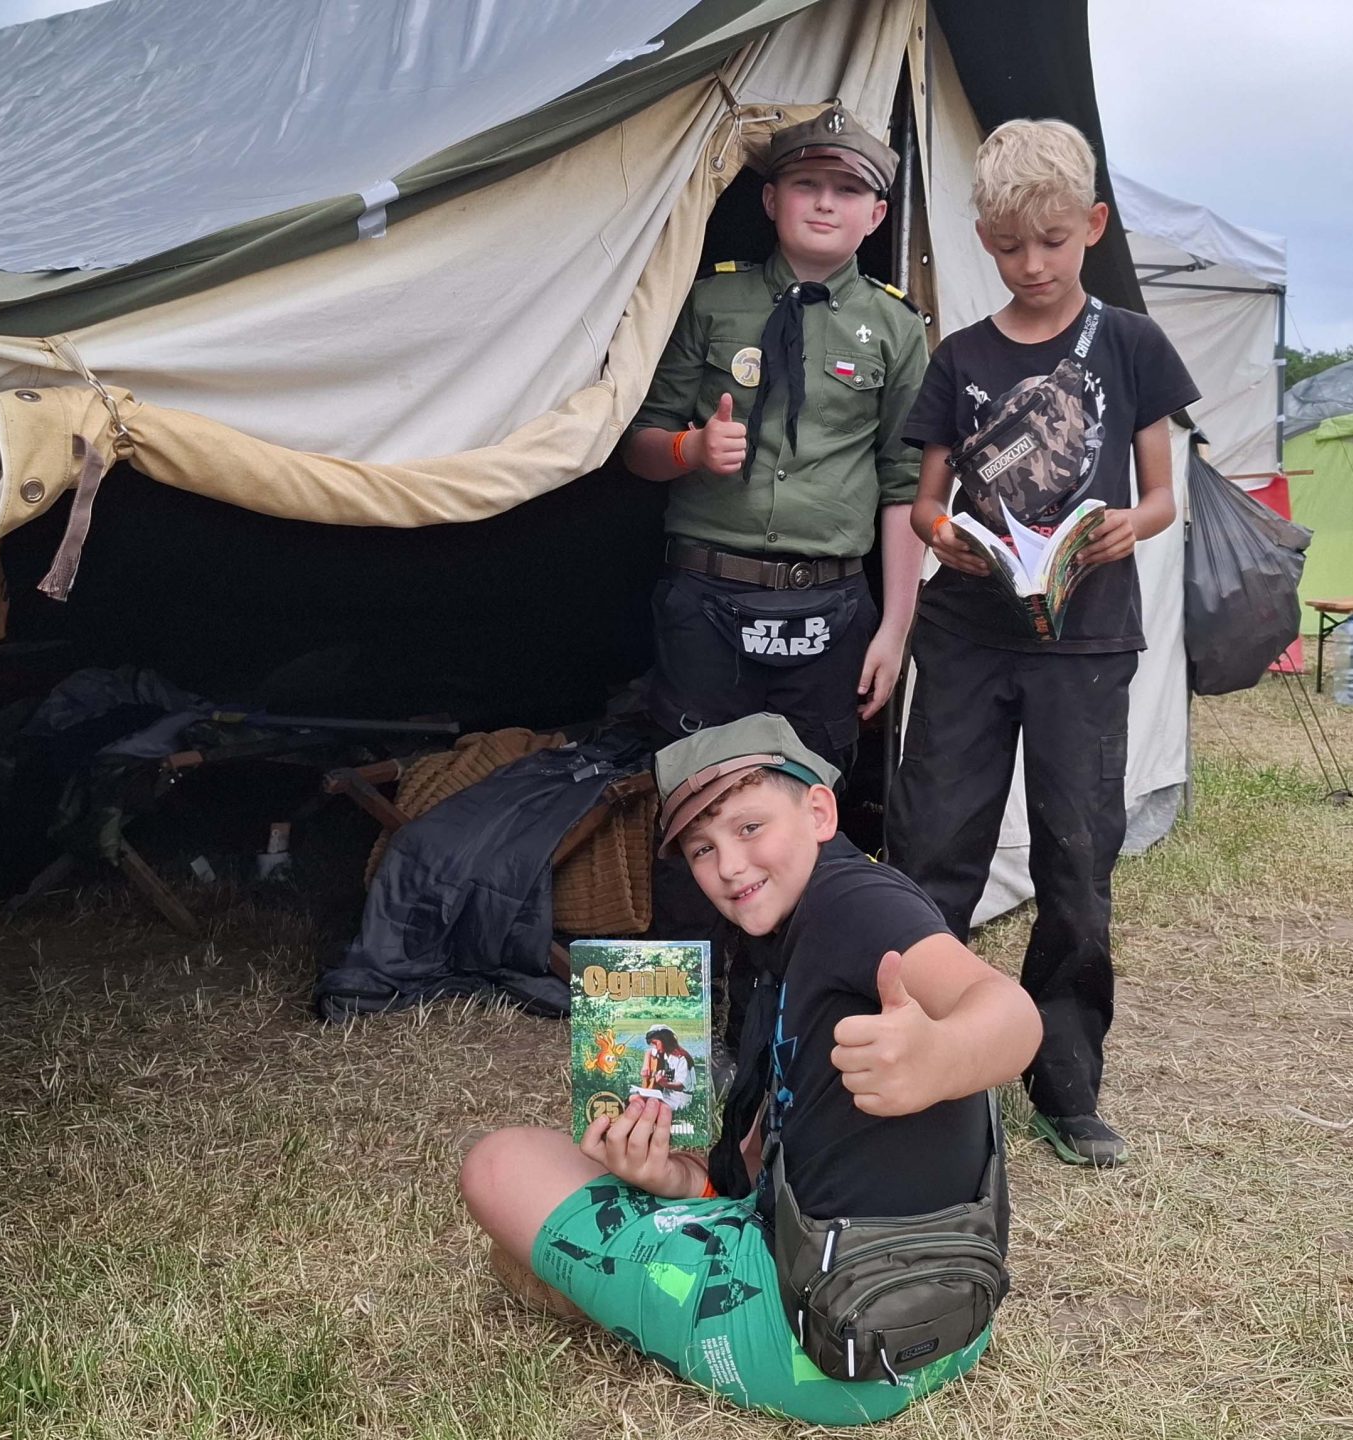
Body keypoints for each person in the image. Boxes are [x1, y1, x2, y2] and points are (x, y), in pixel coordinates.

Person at [460, 714, 1040, 1425]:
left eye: (749, 827)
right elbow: (763, 1165)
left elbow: (1011, 1015)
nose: (729, 866)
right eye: (702, 848)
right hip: (953, 1321)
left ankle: (609, 1292)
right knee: (593, 1195)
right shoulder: (784, 941)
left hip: (823, 1349)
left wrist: (940, 1058)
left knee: (500, 1164)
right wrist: (674, 1179)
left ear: (819, 811)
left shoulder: (855, 902)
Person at [886, 118, 1201, 1169]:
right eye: (1011, 246)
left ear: (1092, 227)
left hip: (1087, 641)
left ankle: (1066, 1083)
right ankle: (923, 1065)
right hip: (967, 637)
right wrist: (945, 536)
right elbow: (925, 503)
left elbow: (1160, 496)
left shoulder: (1132, 345)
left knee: (1077, 857)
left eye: (1054, 242)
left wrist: (1126, 528)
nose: (1032, 264)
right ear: (982, 237)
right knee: (935, 849)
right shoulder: (961, 358)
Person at [616, 104, 928, 769]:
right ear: (769, 199)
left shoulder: (896, 326)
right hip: (708, 596)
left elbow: (906, 484)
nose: (825, 203)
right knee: (697, 790)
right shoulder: (709, 301)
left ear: (877, 215)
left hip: (832, 606)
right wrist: (691, 450)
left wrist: (895, 628)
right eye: (805, 184)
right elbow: (637, 443)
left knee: (811, 790)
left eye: (848, 190)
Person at [632, 1026, 695, 1112]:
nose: (655, 1048)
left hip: (680, 1098)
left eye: (655, 1043)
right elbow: (649, 1052)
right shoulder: (665, 1052)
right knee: (634, 1098)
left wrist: (664, 1084)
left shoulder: (682, 1058)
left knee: (648, 1105)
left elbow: (681, 1086)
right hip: (666, 1095)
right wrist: (646, 1065)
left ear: (665, 1040)